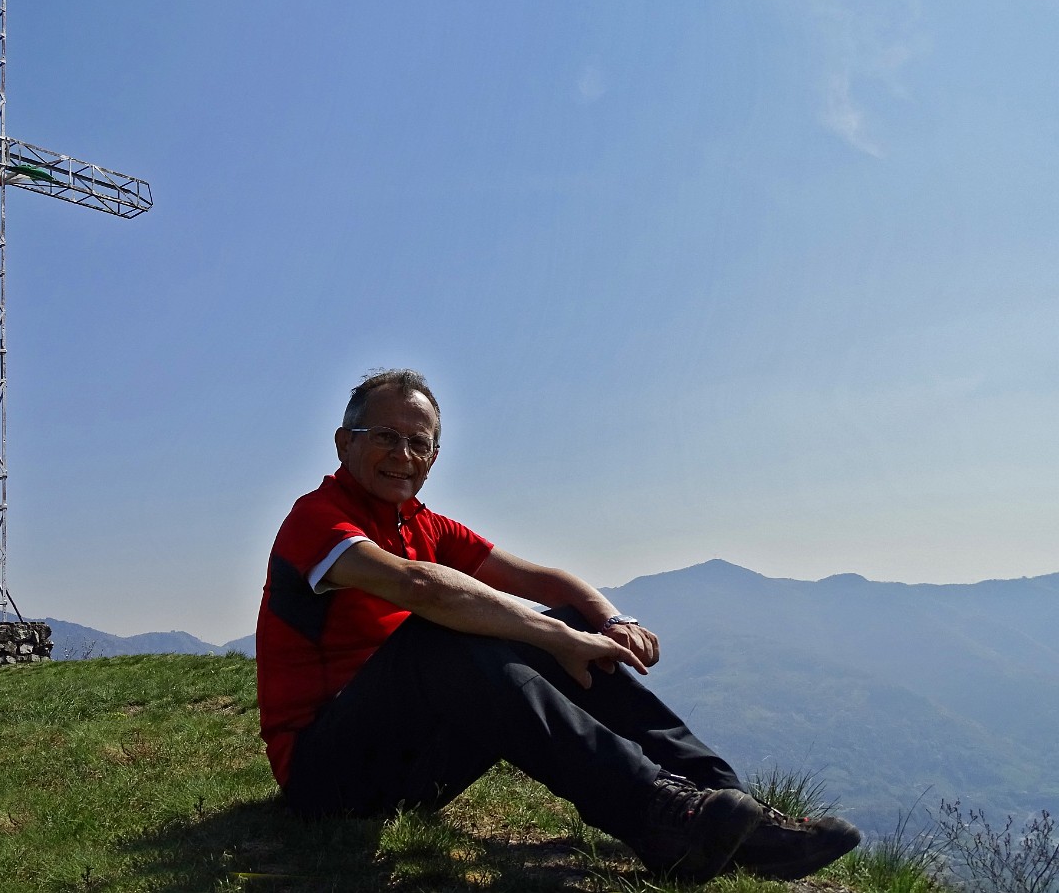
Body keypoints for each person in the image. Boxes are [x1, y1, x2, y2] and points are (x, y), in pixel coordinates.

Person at [255, 368, 861, 882]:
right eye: (385, 436)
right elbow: (421, 587)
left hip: (410, 768)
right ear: (342, 442)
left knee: (552, 622)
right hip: (326, 780)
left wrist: (608, 620)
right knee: (447, 634)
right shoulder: (316, 519)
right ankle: (655, 814)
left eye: (421, 443)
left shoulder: (423, 524)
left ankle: (730, 812)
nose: (404, 454)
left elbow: (546, 583)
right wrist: (556, 638)